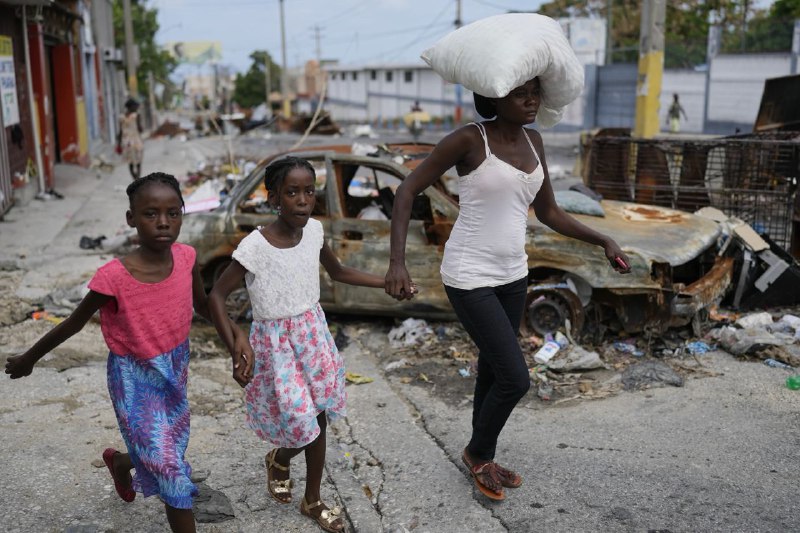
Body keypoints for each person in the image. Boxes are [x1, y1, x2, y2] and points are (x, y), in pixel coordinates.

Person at [384, 78, 631, 502]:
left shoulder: (534, 141)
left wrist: (603, 240)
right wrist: (397, 262)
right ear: (495, 98)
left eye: (535, 92)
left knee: (496, 368)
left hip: (514, 274)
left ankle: (483, 456)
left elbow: (550, 211)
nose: (532, 100)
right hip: (469, 274)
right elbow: (407, 189)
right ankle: (477, 451)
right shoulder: (468, 139)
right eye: (521, 94)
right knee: (516, 379)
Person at [5, 173, 250, 533]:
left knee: (166, 445)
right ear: (131, 219)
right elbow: (74, 323)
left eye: (173, 213)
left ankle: (122, 463)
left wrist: (236, 335)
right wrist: (29, 358)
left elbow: (202, 306)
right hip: (133, 378)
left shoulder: (186, 258)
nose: (164, 222)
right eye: (151, 214)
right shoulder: (113, 278)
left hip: (175, 367)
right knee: (170, 467)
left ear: (183, 214)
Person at [208, 157, 391, 533]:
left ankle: (312, 499)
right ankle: (279, 457)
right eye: (292, 192)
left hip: (313, 336)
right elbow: (216, 296)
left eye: (309, 191)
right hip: (276, 348)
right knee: (300, 420)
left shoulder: (315, 232)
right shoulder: (254, 246)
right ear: (274, 198)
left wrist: (385, 281)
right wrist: (234, 343)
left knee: (318, 414)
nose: (303, 200)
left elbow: (338, 272)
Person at [117, 98, 144, 180]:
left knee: (130, 161)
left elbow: (120, 131)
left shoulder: (121, 117)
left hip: (126, 141)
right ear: (131, 107)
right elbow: (140, 129)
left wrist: (119, 143)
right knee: (138, 160)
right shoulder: (136, 116)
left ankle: (135, 178)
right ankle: (137, 178)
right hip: (136, 140)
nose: (136, 108)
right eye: (136, 107)